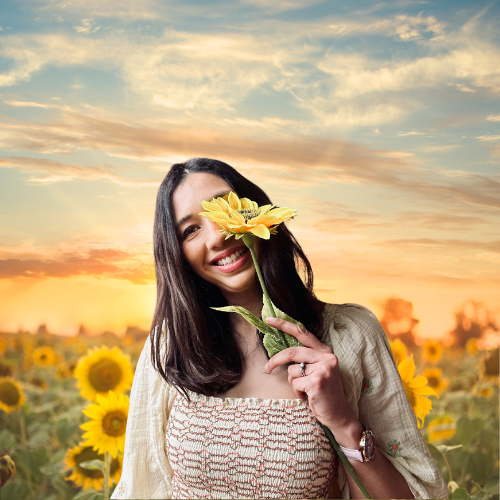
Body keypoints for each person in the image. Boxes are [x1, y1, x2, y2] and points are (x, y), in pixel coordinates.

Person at [111, 158, 448, 499]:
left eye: (227, 209)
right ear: (176, 254)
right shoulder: (173, 344)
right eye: (191, 229)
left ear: (260, 212)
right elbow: (142, 485)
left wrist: (345, 424)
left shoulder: (351, 333)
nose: (219, 235)